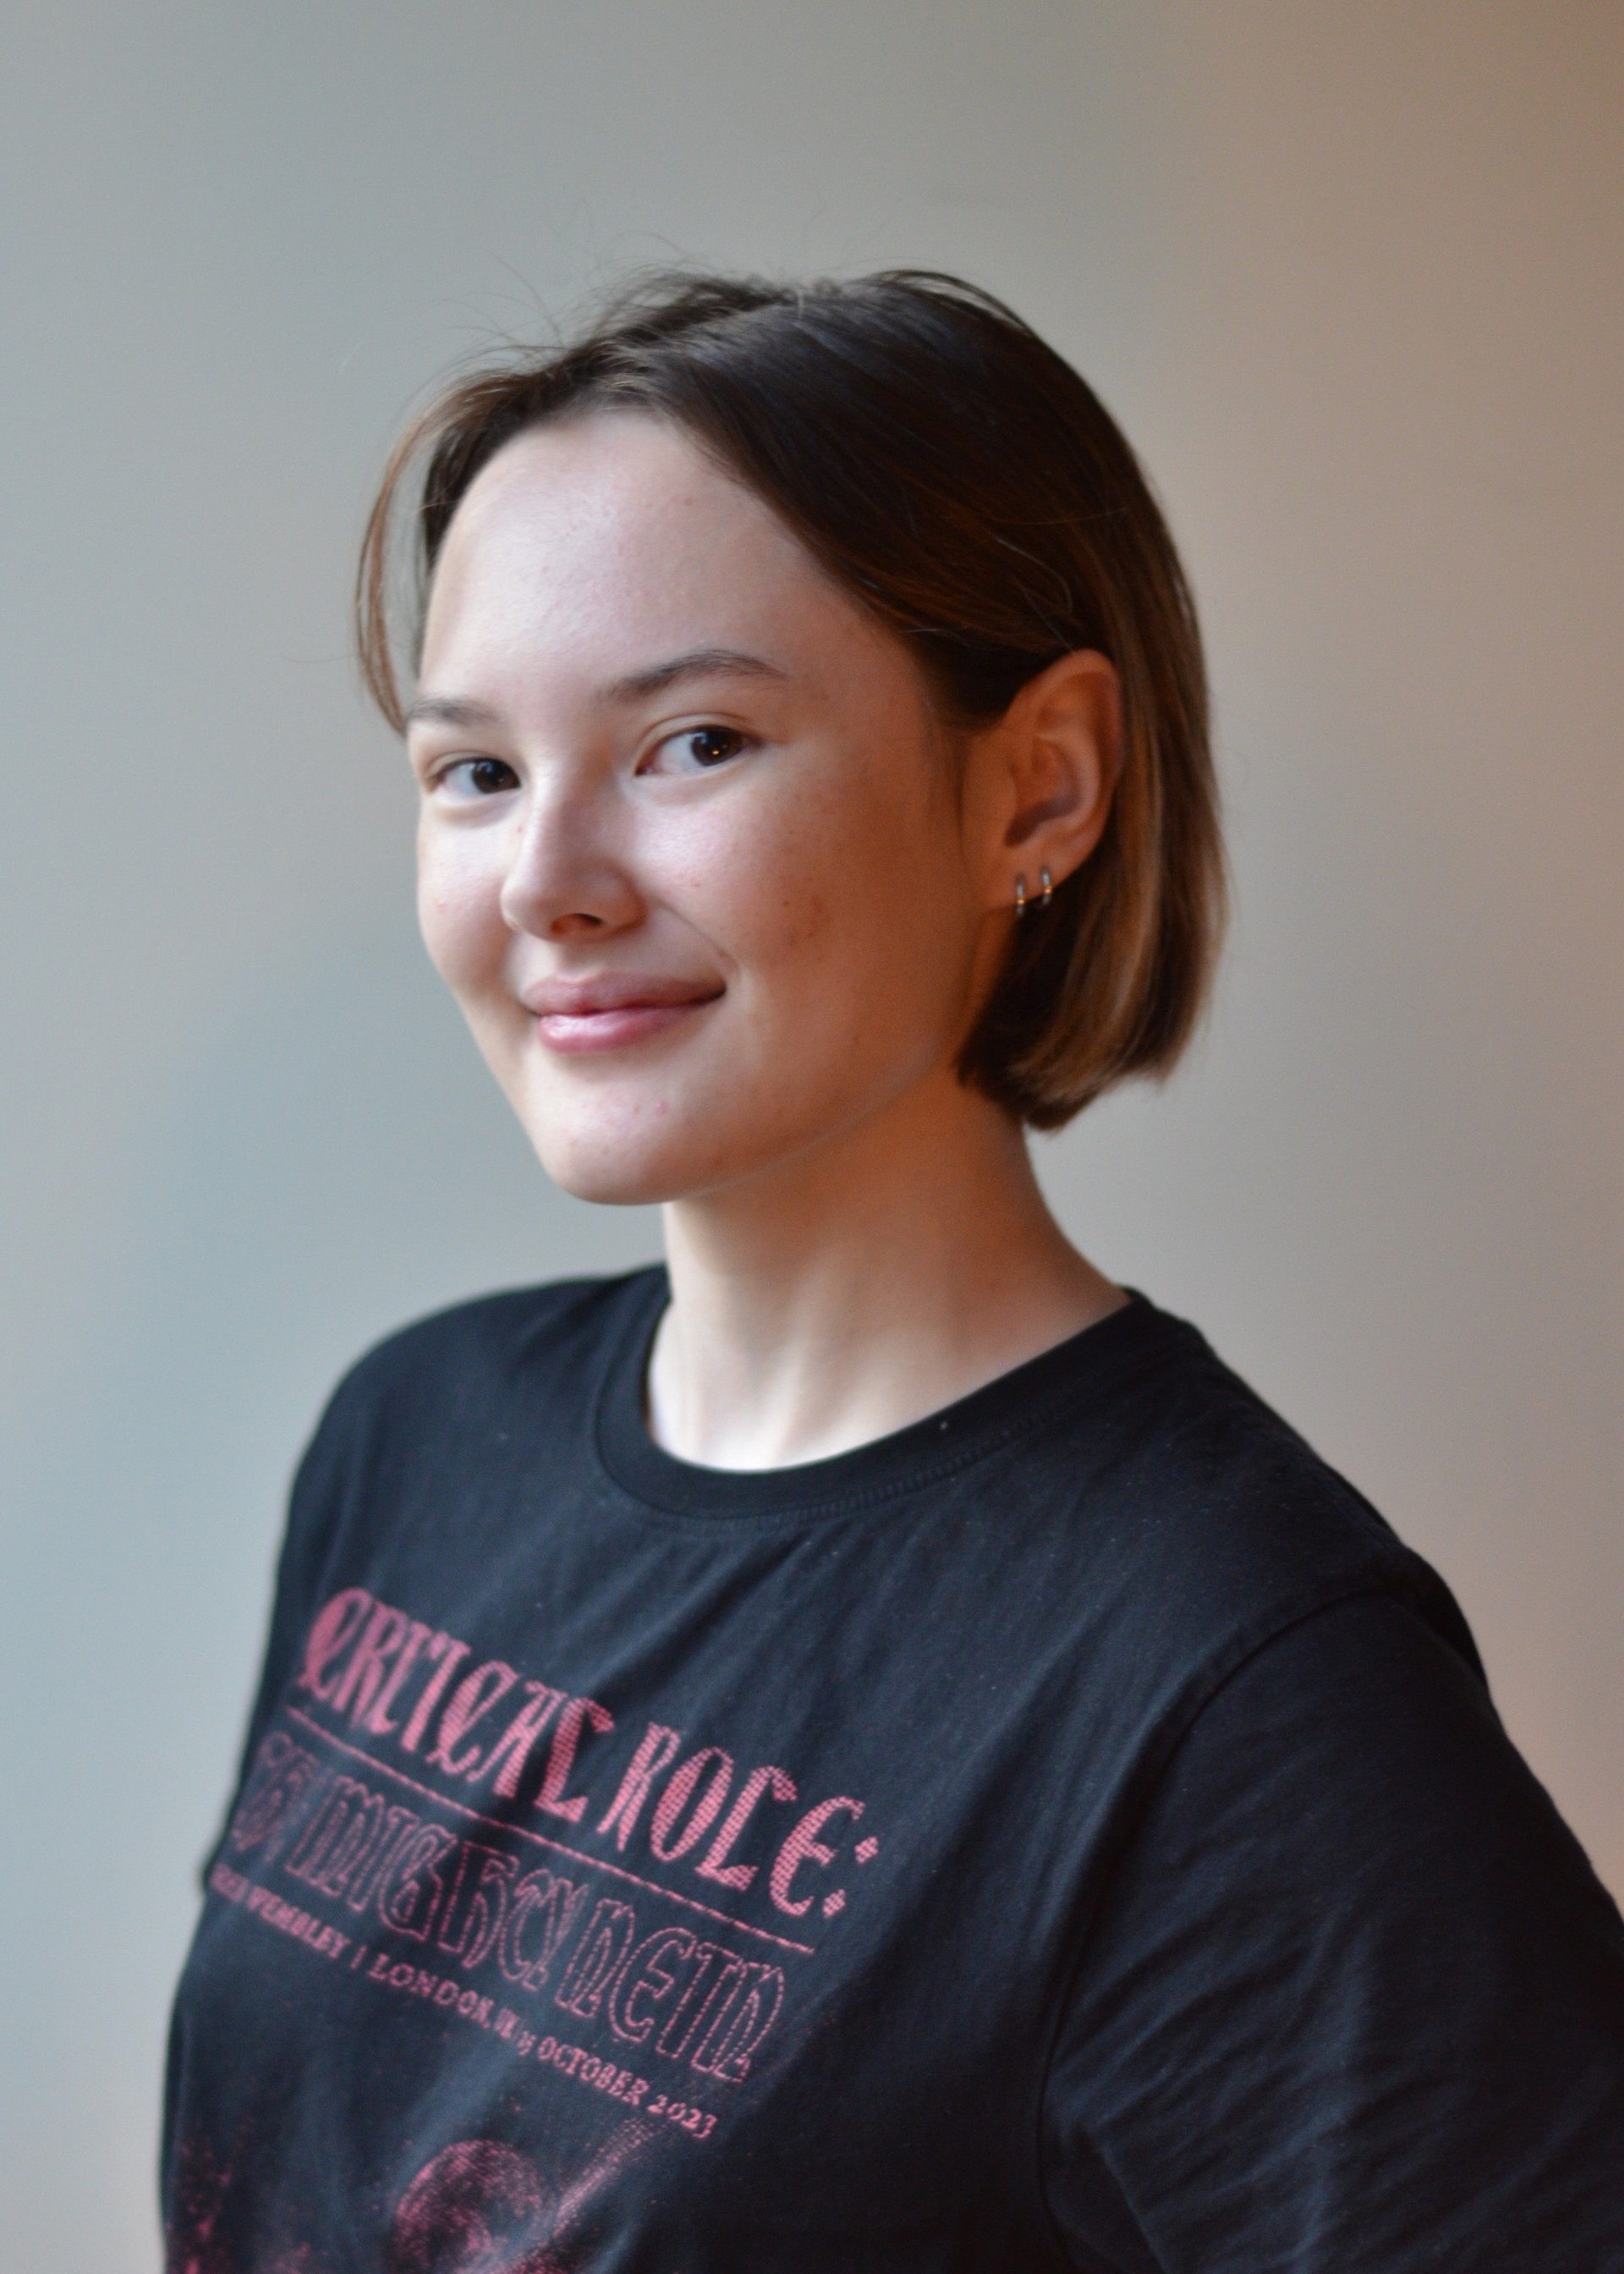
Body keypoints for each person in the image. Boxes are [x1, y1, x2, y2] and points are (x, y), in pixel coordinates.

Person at [162, 271, 1624, 2274]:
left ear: (1039, 784)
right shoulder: (411, 1435)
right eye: (474, 770)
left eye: (690, 741)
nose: (547, 881)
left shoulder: (1236, 1697)